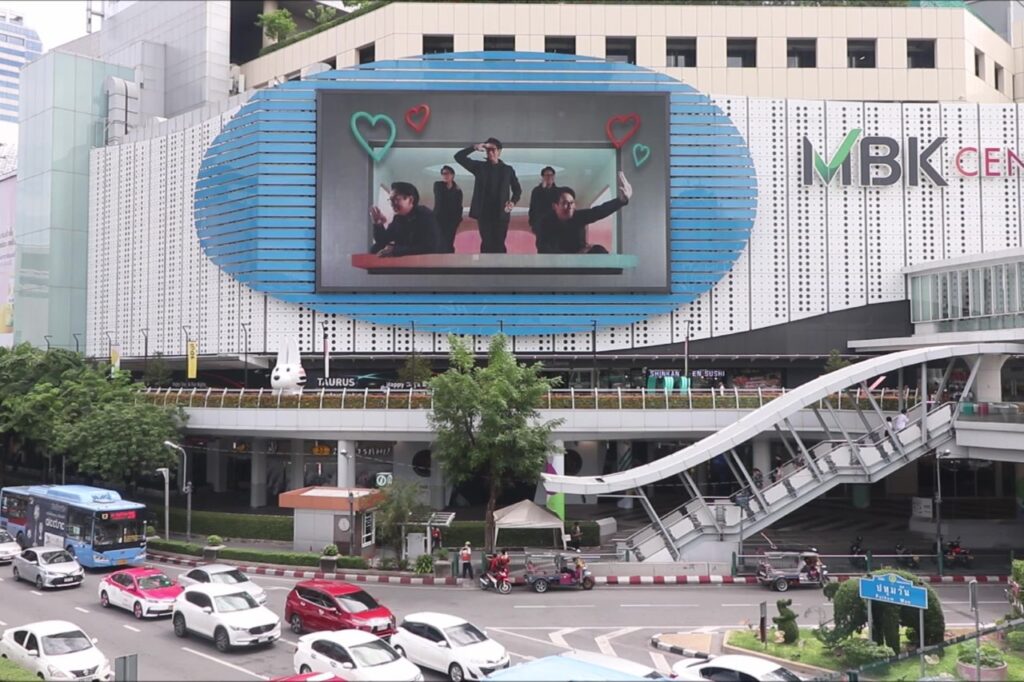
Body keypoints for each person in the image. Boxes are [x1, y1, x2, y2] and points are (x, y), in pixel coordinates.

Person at [535, 171, 633, 254]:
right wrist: (573, 256)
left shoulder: (578, 216)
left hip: (580, 264)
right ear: (555, 206)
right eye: (565, 203)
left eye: (572, 203)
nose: (570, 207)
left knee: (598, 250)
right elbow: (543, 249)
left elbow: (599, 211)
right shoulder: (544, 223)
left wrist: (621, 201)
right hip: (556, 266)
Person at [454, 138, 522, 253]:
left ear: (499, 151)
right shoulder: (479, 167)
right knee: (486, 244)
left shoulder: (507, 170)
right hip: (484, 214)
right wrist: (474, 147)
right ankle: (485, 265)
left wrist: (513, 202)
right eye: (488, 150)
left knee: (499, 244)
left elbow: (517, 189)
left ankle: (501, 264)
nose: (490, 152)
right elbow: (458, 157)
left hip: (501, 213)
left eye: (493, 149)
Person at [370, 182, 440, 257]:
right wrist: (378, 223)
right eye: (390, 200)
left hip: (428, 262)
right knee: (375, 249)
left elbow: (429, 248)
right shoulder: (398, 219)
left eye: (396, 199)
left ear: (410, 200)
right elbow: (382, 241)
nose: (392, 204)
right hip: (406, 261)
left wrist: (395, 251)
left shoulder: (425, 216)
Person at [432, 165, 464, 253]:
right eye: (443, 174)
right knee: (439, 241)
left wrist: (457, 220)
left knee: (449, 241)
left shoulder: (458, 190)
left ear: (452, 175)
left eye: (447, 173)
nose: (445, 175)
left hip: (452, 221)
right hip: (439, 218)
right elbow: (440, 199)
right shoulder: (438, 185)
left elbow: (459, 206)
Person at [528, 166, 559, 242]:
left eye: (551, 175)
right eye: (547, 175)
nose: (549, 177)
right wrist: (532, 223)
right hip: (540, 224)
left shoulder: (558, 191)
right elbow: (532, 207)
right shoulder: (536, 191)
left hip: (554, 224)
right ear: (542, 177)